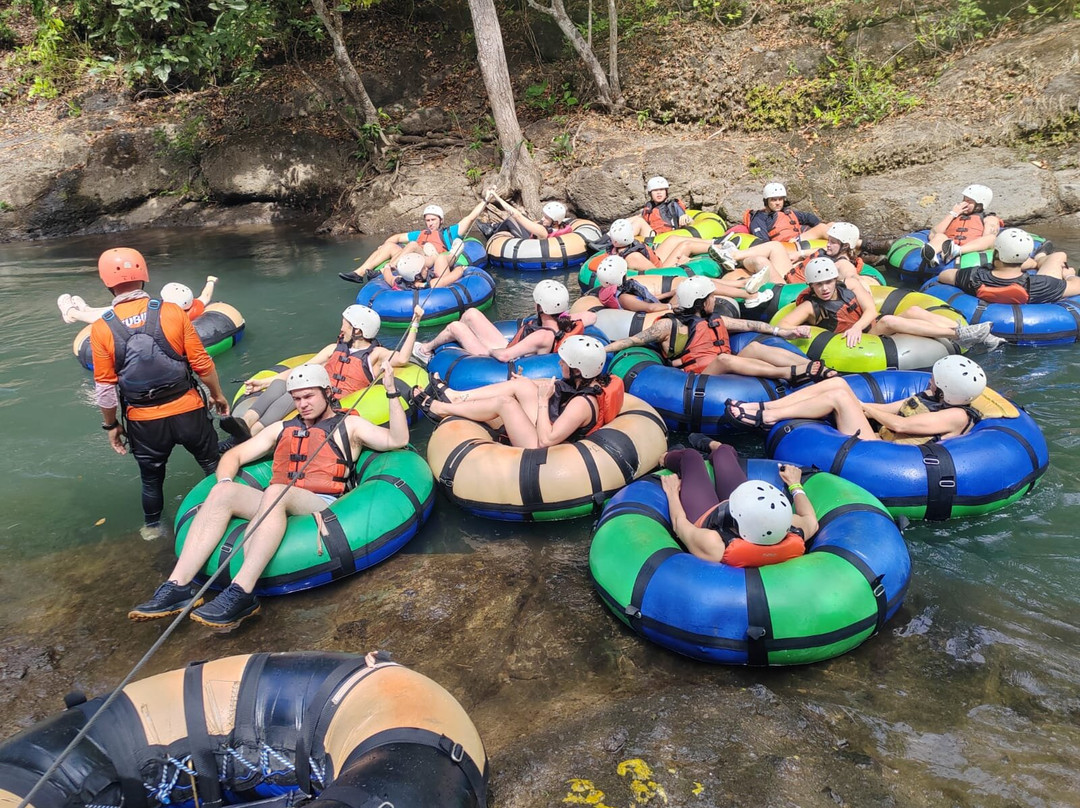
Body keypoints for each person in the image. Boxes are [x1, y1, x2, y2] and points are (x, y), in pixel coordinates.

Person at [127, 362, 409, 630]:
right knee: (223, 491)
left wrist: (391, 391)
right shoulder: (281, 429)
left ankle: (242, 593)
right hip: (276, 502)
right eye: (296, 399)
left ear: (327, 392)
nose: (302, 404)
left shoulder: (350, 426)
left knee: (276, 491)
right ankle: (177, 587)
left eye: (309, 396)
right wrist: (225, 479)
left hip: (319, 504)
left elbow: (397, 440)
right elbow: (234, 455)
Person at [89, 248, 230, 541]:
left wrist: (111, 425)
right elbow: (202, 363)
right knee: (212, 464)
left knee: (151, 480)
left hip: (143, 422)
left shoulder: (101, 328)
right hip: (188, 410)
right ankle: (229, 513)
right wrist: (217, 395)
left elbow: (105, 388)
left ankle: (152, 529)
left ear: (106, 282)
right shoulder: (171, 311)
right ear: (144, 275)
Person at [220, 303, 423, 442]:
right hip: (317, 391)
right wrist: (265, 382)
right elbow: (300, 370)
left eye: (345, 325)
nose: (341, 329)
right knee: (282, 384)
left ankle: (251, 434)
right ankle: (245, 423)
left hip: (334, 402)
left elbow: (402, 359)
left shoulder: (375, 355)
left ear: (358, 331)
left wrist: (415, 322)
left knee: (299, 391)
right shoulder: (333, 349)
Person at [602, 275, 835, 385]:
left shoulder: (715, 319)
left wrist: (783, 332)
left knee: (754, 347)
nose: (715, 300)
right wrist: (604, 349)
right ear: (700, 301)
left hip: (724, 365)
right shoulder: (669, 325)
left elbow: (750, 325)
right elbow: (633, 341)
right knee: (725, 359)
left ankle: (812, 367)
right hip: (698, 377)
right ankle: (788, 373)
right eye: (711, 297)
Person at [411, 335, 622, 448]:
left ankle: (440, 408)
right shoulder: (585, 381)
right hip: (547, 427)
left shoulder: (581, 404)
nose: (559, 363)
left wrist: (542, 402)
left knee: (505, 403)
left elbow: (546, 440)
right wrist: (527, 382)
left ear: (577, 369)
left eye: (564, 362)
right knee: (521, 385)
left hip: (542, 446)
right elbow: (555, 385)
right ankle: (456, 396)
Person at [722, 354, 987, 444]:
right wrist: (859, 405)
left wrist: (855, 405)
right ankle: (763, 407)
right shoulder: (931, 397)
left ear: (947, 389)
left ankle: (769, 417)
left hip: (884, 453)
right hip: (880, 439)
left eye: (936, 379)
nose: (930, 379)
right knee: (839, 384)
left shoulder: (956, 415)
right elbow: (886, 409)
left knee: (839, 396)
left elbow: (900, 425)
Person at [777, 256, 1004, 350]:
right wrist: (798, 330)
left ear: (835, 280)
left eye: (828, 282)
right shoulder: (810, 307)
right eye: (818, 285)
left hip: (866, 328)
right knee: (888, 320)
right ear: (811, 286)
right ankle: (958, 335)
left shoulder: (851, 285)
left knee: (913, 309)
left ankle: (973, 333)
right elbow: (782, 325)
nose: (825, 288)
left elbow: (870, 310)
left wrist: (857, 326)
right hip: (856, 341)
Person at [660, 443, 818, 566]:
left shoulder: (714, 544)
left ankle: (664, 458)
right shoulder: (793, 529)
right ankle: (716, 447)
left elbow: (679, 524)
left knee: (690, 456)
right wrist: (795, 484)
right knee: (723, 451)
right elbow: (811, 520)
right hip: (747, 511)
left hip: (706, 515)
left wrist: (672, 492)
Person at [411, 279, 586, 365]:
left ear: (540, 306)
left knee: (456, 327)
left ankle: (425, 350)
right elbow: (591, 316)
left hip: (503, 362)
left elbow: (504, 356)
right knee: (471, 314)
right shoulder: (562, 322)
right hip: (513, 349)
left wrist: (486, 348)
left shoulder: (543, 335)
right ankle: (446, 344)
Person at [339, 198, 487, 283]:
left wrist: (486, 200)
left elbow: (470, 217)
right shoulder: (420, 233)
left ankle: (387, 269)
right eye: (428, 220)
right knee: (390, 245)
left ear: (441, 220)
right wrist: (383, 245)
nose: (430, 223)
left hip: (431, 259)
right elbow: (397, 237)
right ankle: (358, 273)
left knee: (412, 244)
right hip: (412, 256)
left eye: (433, 220)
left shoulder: (450, 232)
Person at [936, 228, 1079, 304]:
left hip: (988, 280)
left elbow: (943, 275)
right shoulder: (1042, 284)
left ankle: (1039, 258)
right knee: (1058, 256)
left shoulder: (974, 276)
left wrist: (987, 267)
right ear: (1025, 258)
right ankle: (1040, 258)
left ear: (995, 253)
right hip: (1037, 289)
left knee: (1054, 257)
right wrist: (1069, 275)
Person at [592, 254, 773, 313]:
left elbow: (648, 299)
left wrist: (668, 294)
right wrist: (672, 305)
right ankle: (749, 295)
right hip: (666, 312)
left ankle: (743, 284)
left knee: (692, 282)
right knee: (698, 284)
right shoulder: (624, 297)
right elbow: (650, 308)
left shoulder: (624, 290)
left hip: (664, 303)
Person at [59, 276, 217, 325]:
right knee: (122, 308)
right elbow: (205, 296)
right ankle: (88, 309)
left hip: (137, 323)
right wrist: (210, 282)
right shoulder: (195, 307)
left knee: (117, 313)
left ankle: (73, 314)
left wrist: (210, 281)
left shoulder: (164, 314)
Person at [920, 184, 1003, 267]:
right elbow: (933, 234)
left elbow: (987, 239)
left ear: (979, 205)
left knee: (991, 238)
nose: (964, 203)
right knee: (939, 235)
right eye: (964, 200)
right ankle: (931, 255)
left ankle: (955, 251)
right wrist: (952, 214)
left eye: (969, 201)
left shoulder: (989, 218)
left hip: (971, 248)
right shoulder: (954, 216)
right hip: (948, 246)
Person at [479, 191, 576, 240]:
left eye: (546, 218)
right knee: (524, 217)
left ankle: (491, 233)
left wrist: (496, 196)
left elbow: (516, 215)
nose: (542, 219)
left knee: (510, 220)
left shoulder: (543, 231)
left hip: (527, 244)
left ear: (555, 222)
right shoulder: (560, 226)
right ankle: (494, 225)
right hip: (535, 237)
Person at [626, 176, 693, 240]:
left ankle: (623, 239)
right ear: (650, 193)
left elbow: (687, 218)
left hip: (662, 238)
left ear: (666, 192)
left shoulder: (672, 205)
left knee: (639, 221)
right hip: (651, 234)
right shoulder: (649, 206)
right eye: (655, 190)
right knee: (635, 219)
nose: (659, 193)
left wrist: (686, 217)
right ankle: (621, 236)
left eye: (661, 190)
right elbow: (640, 216)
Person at [379, 250, 465, 290]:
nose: (427, 268)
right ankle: (453, 256)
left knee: (440, 259)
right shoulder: (431, 284)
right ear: (417, 276)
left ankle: (436, 254)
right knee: (441, 258)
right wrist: (459, 268)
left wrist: (387, 266)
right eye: (423, 268)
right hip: (441, 288)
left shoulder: (398, 282)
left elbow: (388, 276)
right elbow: (456, 274)